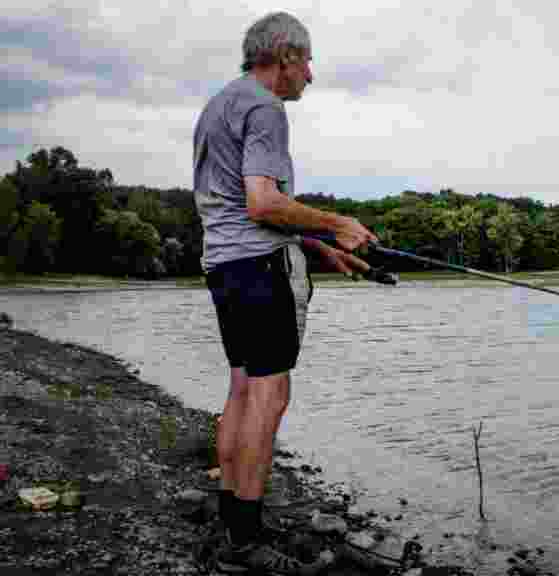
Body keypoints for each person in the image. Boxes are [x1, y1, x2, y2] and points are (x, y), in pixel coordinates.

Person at [192, 11, 377, 574]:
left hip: (224, 266)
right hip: (258, 267)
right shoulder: (266, 107)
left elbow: (234, 206)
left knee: (242, 390)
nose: (310, 75)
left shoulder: (219, 104)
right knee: (269, 396)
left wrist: (320, 247)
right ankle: (244, 544)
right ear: (285, 55)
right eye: (308, 61)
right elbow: (262, 203)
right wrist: (338, 224)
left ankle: (233, 520)